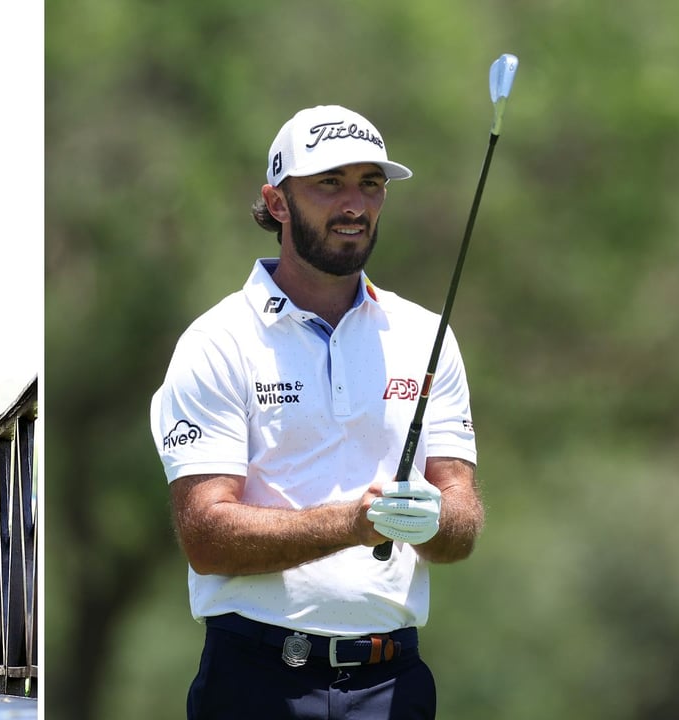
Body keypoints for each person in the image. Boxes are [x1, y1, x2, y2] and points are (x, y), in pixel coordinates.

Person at [149, 105, 485, 719]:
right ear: (277, 202)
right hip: (256, 683)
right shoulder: (219, 340)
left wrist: (436, 518)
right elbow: (205, 536)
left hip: (395, 684)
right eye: (330, 183)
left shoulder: (426, 334)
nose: (354, 203)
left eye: (371, 183)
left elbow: (459, 522)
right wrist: (352, 525)